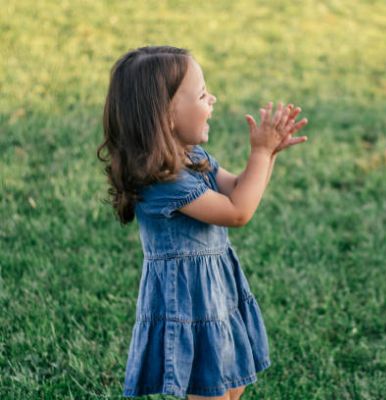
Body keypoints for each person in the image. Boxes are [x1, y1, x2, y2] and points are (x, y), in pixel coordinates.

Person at [96, 45, 309, 399]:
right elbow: (238, 211)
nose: (213, 99)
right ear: (166, 116)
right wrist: (259, 152)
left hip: (214, 289)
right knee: (208, 389)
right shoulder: (162, 182)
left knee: (232, 381)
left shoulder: (192, 157)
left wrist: (268, 154)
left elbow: (240, 188)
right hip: (188, 302)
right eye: (201, 94)